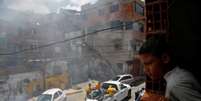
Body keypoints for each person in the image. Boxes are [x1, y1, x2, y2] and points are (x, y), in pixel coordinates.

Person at [138, 35, 201, 101]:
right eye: (144, 65)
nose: (145, 70)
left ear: (165, 59)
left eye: (148, 63)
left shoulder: (176, 85)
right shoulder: (178, 75)